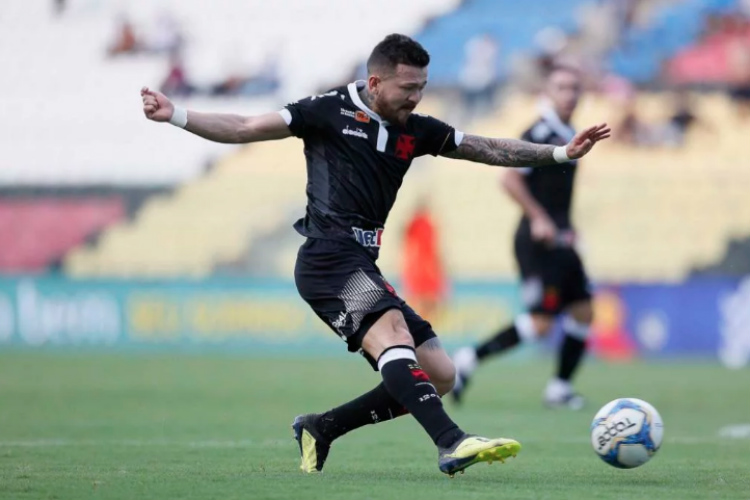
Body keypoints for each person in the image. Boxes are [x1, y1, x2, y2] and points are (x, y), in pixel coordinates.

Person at [140, 35, 610, 476]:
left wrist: (559, 154)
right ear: (376, 82)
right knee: (394, 334)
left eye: (422, 88)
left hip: (361, 261)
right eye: (408, 88)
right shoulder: (326, 110)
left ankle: (322, 427)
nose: (416, 98)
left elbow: (485, 147)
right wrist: (176, 114)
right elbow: (244, 127)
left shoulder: (417, 130)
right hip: (327, 257)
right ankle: (451, 442)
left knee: (441, 374)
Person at [451, 65, 596, 410]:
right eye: (561, 87)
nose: (569, 94)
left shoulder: (568, 132)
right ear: (547, 93)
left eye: (574, 87)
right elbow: (510, 179)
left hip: (562, 240)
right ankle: (468, 359)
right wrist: (539, 217)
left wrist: (566, 224)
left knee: (583, 310)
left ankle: (559, 389)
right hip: (538, 241)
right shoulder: (539, 132)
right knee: (541, 323)